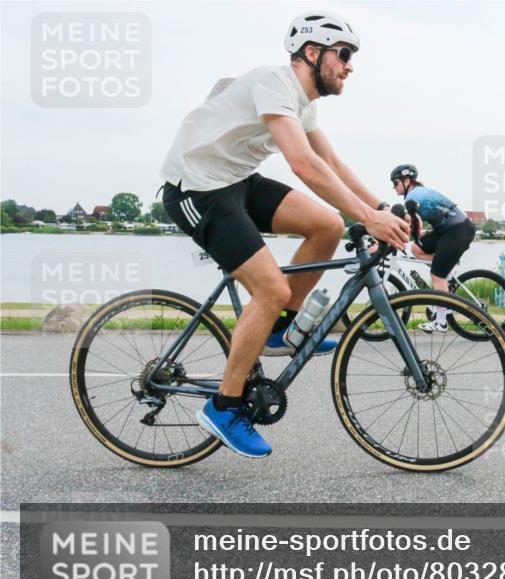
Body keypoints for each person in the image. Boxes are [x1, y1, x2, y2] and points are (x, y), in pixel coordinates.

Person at [159, 12, 410, 459]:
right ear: (312, 53)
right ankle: (224, 407)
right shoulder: (272, 82)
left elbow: (331, 163)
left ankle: (279, 328)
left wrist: (380, 208)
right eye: (343, 54)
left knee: (328, 225)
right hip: (196, 189)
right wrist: (369, 220)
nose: (350, 66)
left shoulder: (303, 103)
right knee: (271, 288)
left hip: (236, 181)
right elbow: (303, 164)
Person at [390, 164, 477, 332]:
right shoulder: (416, 194)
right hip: (448, 230)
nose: (394, 187)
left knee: (437, 275)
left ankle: (441, 322)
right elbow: (414, 229)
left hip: (457, 231)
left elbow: (407, 226)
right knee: (416, 249)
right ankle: (447, 273)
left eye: (395, 183)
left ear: (406, 181)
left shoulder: (413, 197)